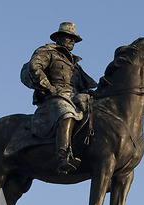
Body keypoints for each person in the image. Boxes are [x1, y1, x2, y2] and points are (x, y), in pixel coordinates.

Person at [22, 22, 97, 174]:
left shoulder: (75, 64)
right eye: (69, 38)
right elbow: (34, 68)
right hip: (54, 97)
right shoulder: (48, 52)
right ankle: (63, 157)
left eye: (74, 39)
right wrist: (49, 88)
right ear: (60, 38)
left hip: (74, 96)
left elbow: (85, 85)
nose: (72, 42)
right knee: (67, 112)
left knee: (99, 112)